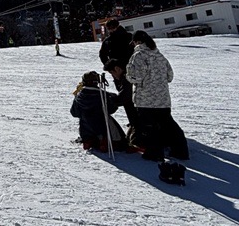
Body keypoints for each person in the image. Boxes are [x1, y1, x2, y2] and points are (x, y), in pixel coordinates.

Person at [125, 31, 188, 161]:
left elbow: (135, 77)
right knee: (168, 125)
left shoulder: (139, 56)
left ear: (137, 42)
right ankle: (181, 151)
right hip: (163, 98)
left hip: (146, 99)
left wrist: (128, 75)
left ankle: (154, 154)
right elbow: (170, 76)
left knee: (149, 127)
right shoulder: (160, 56)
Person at [71, 71, 126, 152]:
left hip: (85, 128)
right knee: (111, 126)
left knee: (85, 121)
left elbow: (74, 113)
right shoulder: (103, 95)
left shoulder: (79, 96)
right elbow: (111, 109)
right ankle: (104, 141)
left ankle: (88, 140)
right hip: (102, 127)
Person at [102, 59, 137, 138]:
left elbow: (124, 97)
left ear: (117, 69)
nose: (112, 76)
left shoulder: (127, 79)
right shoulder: (126, 77)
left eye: (112, 73)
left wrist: (109, 99)